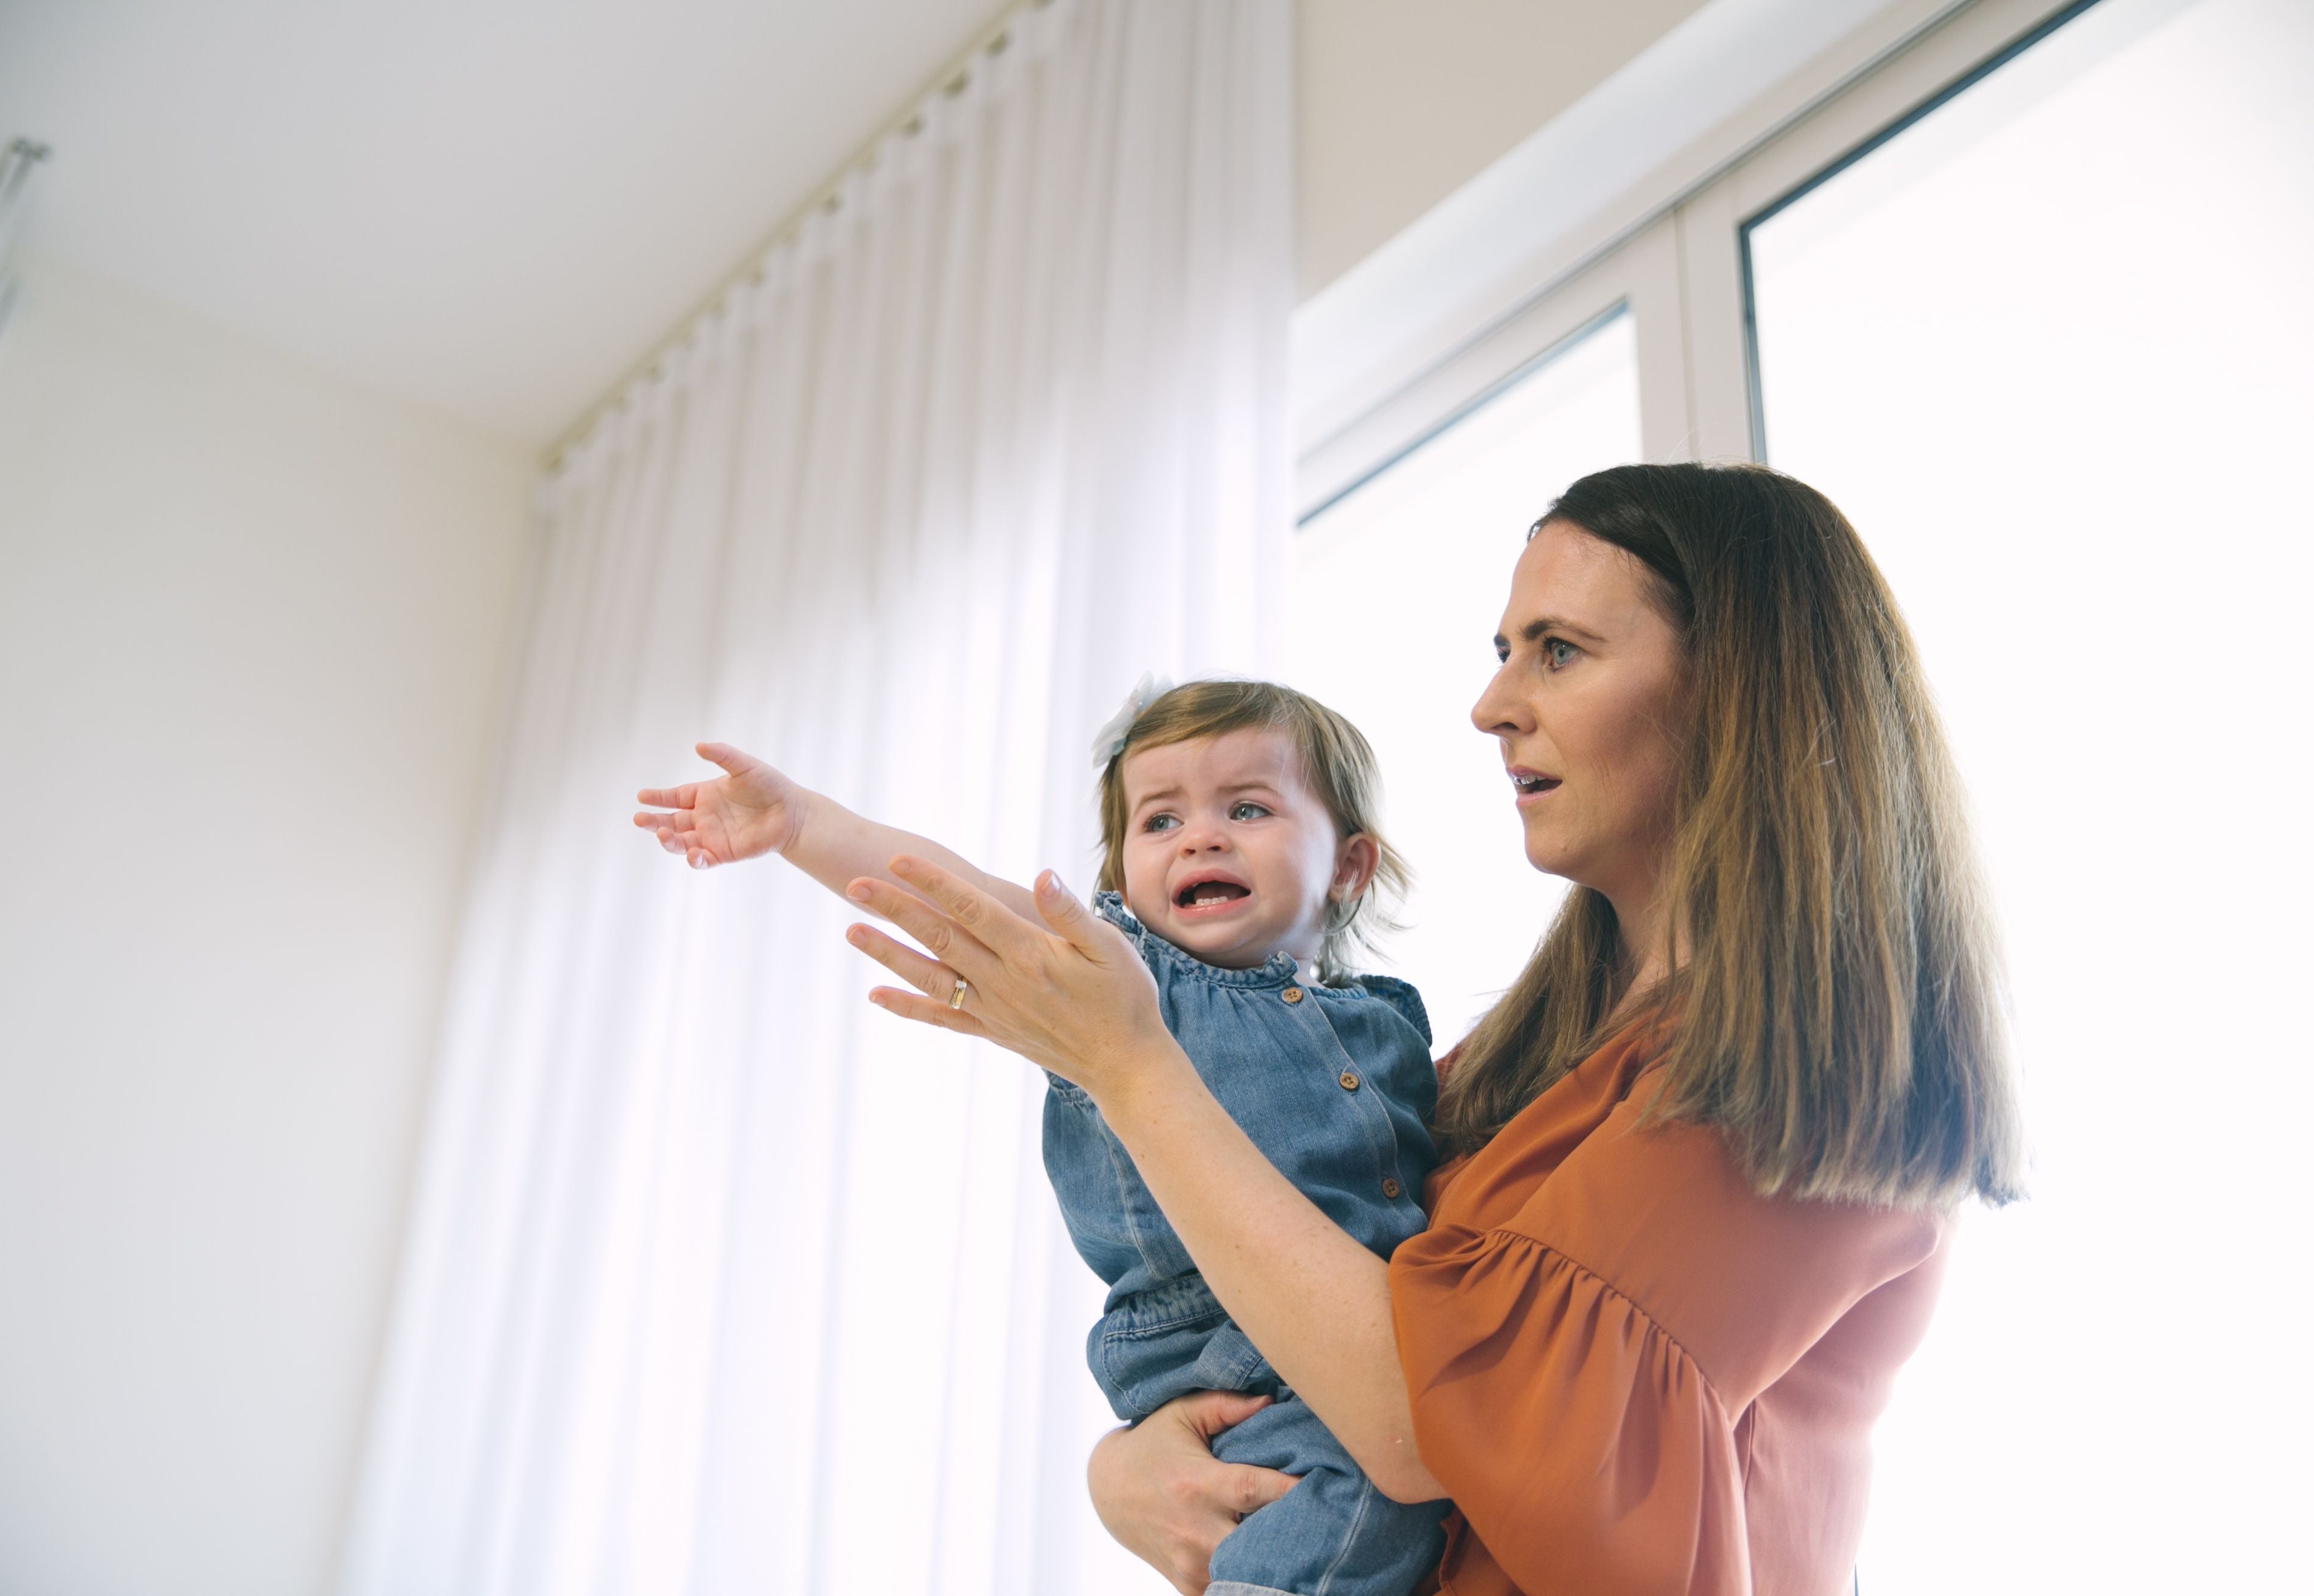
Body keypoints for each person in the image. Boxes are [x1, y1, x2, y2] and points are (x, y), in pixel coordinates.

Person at [836, 462, 2025, 1595]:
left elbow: (1422, 1424)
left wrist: (1130, 1067)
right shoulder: (1515, 1071)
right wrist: (1130, 1464)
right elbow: (1312, 1314)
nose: (1493, 707)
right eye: (1506, 653)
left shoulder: (1799, 1087)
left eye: (1558, 652)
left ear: (1738, 690)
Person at [634, 678, 1454, 1595]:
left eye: (1248, 808)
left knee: (1400, 1495)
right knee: (1362, 1495)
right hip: (1215, 1347)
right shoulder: (1122, 984)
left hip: (1363, 1338)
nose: (1200, 837)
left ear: (1348, 867)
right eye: (1160, 820)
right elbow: (961, 899)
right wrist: (801, 823)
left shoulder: (1389, 1024)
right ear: (1121, 881)